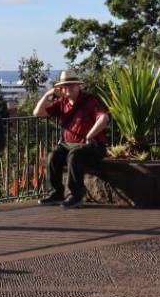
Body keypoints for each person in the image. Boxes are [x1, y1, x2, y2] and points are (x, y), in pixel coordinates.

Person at [33, 69, 110, 207]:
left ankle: (76, 195)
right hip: (68, 145)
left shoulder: (90, 101)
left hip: (93, 146)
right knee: (53, 156)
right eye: (64, 86)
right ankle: (56, 193)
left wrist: (90, 135)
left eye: (71, 85)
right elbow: (37, 113)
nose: (67, 88)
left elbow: (104, 118)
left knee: (75, 154)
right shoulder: (62, 103)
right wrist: (47, 94)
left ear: (78, 86)